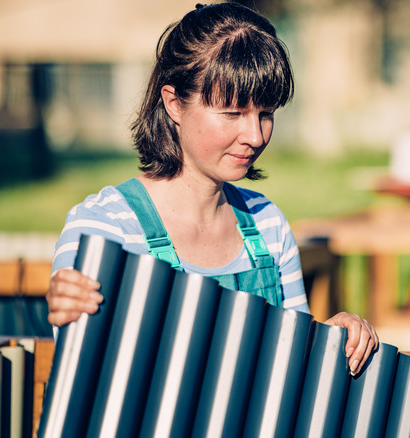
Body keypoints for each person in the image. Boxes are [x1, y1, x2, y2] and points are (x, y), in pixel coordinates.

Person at [45, 2, 378, 375]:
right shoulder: (105, 230)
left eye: (265, 114)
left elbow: (289, 373)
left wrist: (332, 342)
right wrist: (71, 317)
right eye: (232, 114)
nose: (254, 136)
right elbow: (85, 381)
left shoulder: (266, 224)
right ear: (173, 104)